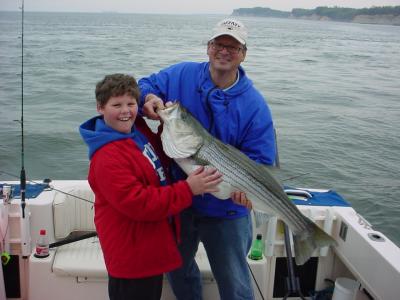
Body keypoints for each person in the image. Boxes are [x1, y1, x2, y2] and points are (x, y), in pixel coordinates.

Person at [138, 18, 276, 300]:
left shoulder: (255, 105)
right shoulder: (182, 74)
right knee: (177, 270)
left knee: (235, 283)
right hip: (180, 200)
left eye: (233, 47)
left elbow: (260, 161)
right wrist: (148, 96)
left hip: (226, 211)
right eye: (219, 44)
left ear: (244, 53)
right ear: (209, 47)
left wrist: (246, 193)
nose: (224, 51)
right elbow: (143, 85)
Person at [79, 73, 223, 300]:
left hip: (151, 248)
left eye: (131, 103)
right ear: (100, 108)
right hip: (131, 258)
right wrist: (188, 189)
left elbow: (160, 158)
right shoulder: (106, 157)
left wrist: (165, 124)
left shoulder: (137, 132)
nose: (125, 111)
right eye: (116, 105)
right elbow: (140, 204)